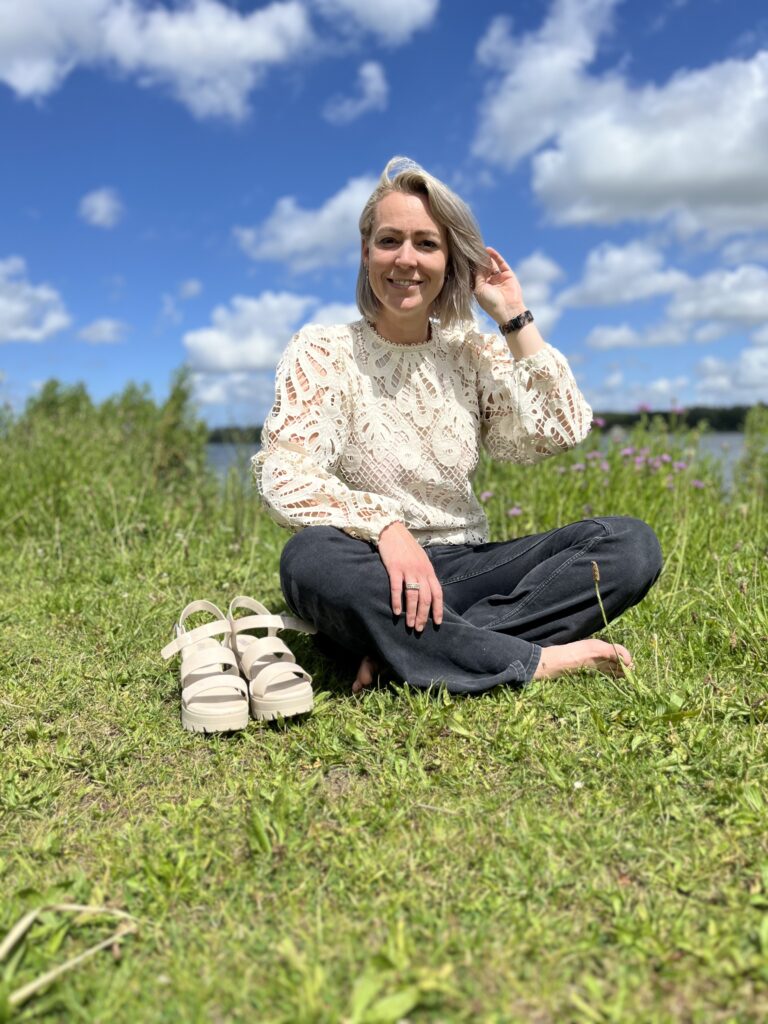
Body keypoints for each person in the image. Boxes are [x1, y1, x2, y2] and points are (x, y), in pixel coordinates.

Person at [252, 157, 662, 695]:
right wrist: (386, 528)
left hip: (465, 570)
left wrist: (512, 314)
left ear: (450, 261)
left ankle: (401, 651)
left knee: (630, 545)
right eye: (389, 240)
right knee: (308, 558)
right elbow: (284, 473)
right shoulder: (323, 350)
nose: (406, 259)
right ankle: (530, 659)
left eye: (426, 243)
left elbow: (559, 429)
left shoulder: (470, 353)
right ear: (366, 252)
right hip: (372, 568)